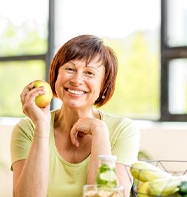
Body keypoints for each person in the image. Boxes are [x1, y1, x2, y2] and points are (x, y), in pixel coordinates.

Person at [10, 35, 140, 197]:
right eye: (70, 69)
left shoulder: (122, 130)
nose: (77, 80)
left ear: (104, 85)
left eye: (89, 73)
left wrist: (99, 131)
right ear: (56, 75)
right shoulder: (27, 128)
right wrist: (42, 127)